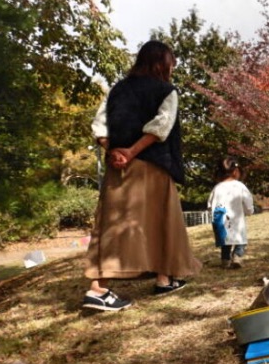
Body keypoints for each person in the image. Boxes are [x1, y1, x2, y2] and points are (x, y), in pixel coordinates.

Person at [83, 40, 202, 311]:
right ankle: (163, 279)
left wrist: (115, 152)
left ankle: (99, 288)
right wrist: (132, 151)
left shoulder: (117, 90)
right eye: (171, 62)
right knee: (161, 221)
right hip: (154, 166)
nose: (172, 67)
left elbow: (99, 126)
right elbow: (161, 126)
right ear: (161, 63)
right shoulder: (166, 91)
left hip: (120, 168)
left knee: (113, 223)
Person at [208, 157, 255, 268]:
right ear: (236, 171)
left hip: (221, 221)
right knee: (241, 241)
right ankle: (237, 256)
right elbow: (248, 203)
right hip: (237, 220)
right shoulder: (240, 186)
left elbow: (210, 205)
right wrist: (249, 211)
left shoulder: (217, 188)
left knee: (225, 243)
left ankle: (225, 260)